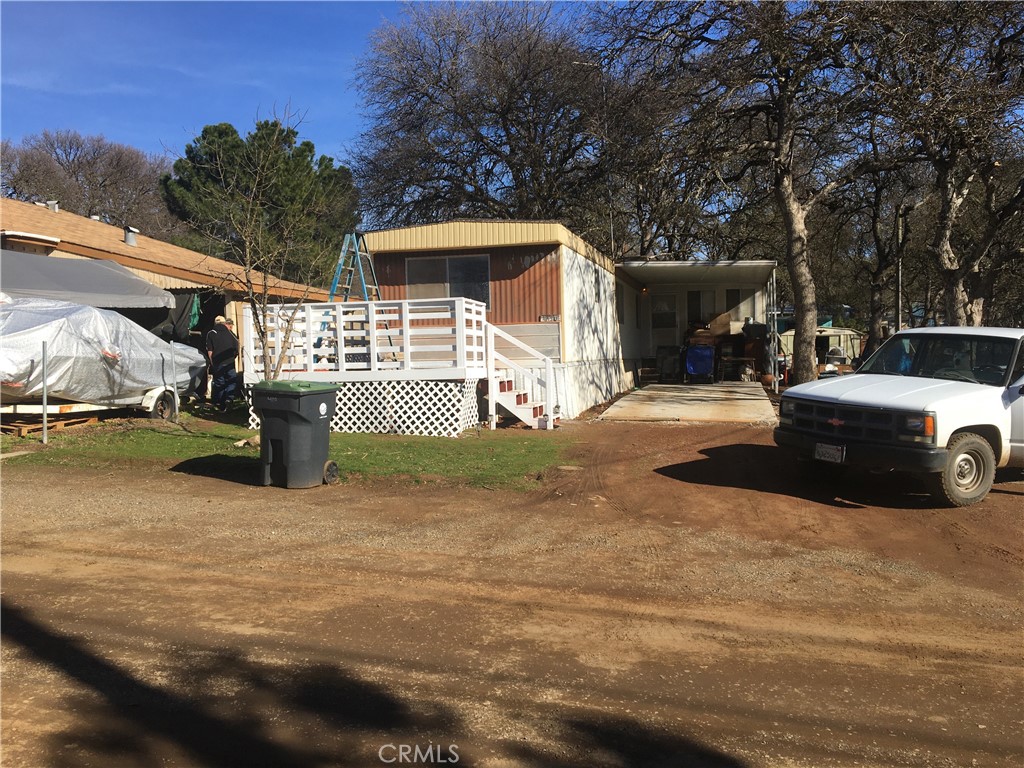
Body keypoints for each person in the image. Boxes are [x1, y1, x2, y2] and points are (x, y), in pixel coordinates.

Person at [206, 315, 239, 411]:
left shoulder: (211, 333)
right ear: (225, 323)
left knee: (220, 383)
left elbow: (210, 351)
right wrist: (233, 358)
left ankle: (220, 404)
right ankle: (229, 399)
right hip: (230, 363)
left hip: (218, 363)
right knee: (231, 381)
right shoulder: (231, 334)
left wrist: (213, 363)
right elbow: (236, 349)